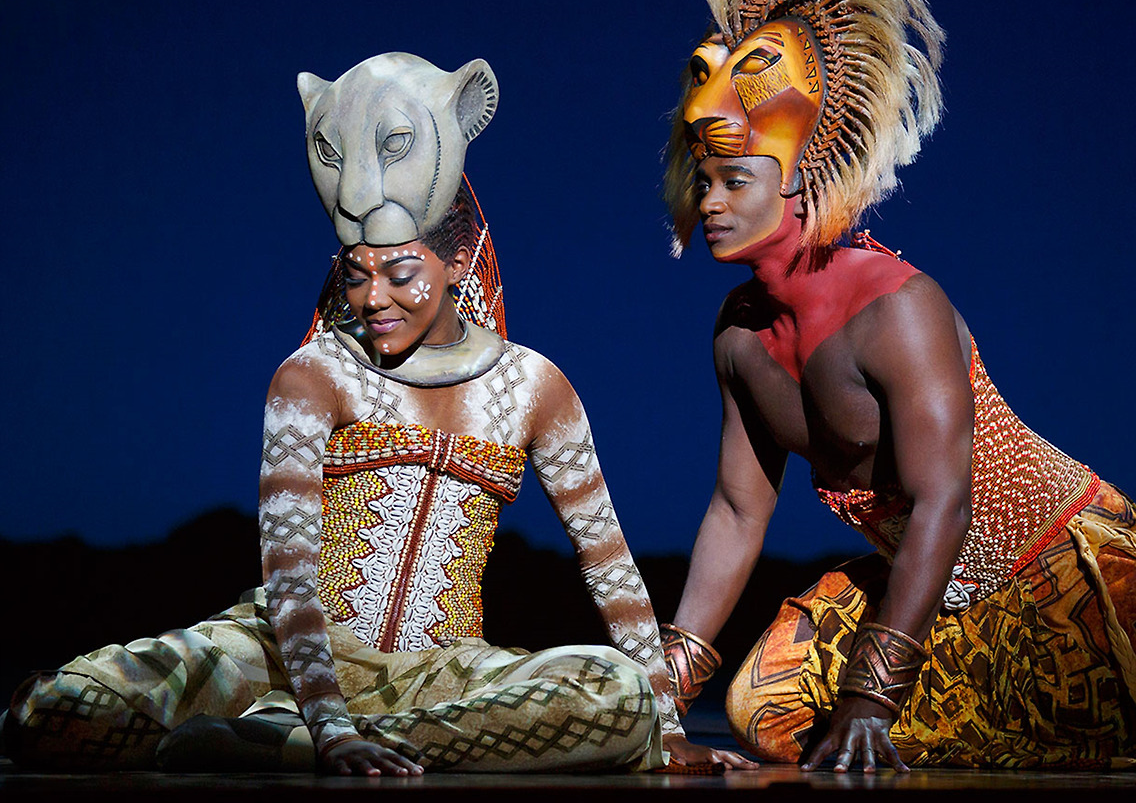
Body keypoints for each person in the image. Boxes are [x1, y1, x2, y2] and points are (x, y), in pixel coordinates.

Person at [656, 0, 1136, 772]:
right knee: (762, 709)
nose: (712, 202)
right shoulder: (738, 336)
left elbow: (942, 503)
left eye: (734, 182)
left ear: (796, 180)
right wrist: (665, 687)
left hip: (1057, 566)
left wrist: (872, 695)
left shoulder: (896, 305)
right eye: (706, 182)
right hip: (931, 592)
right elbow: (735, 510)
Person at [6, 52, 746, 774]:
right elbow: (288, 575)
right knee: (56, 711)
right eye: (356, 275)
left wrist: (665, 726)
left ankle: (277, 744)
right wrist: (328, 720)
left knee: (618, 696)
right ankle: (305, 729)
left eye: (400, 273)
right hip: (279, 652)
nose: (373, 298)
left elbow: (608, 563)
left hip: (440, 674)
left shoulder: (534, 386)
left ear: (455, 264)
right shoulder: (314, 374)